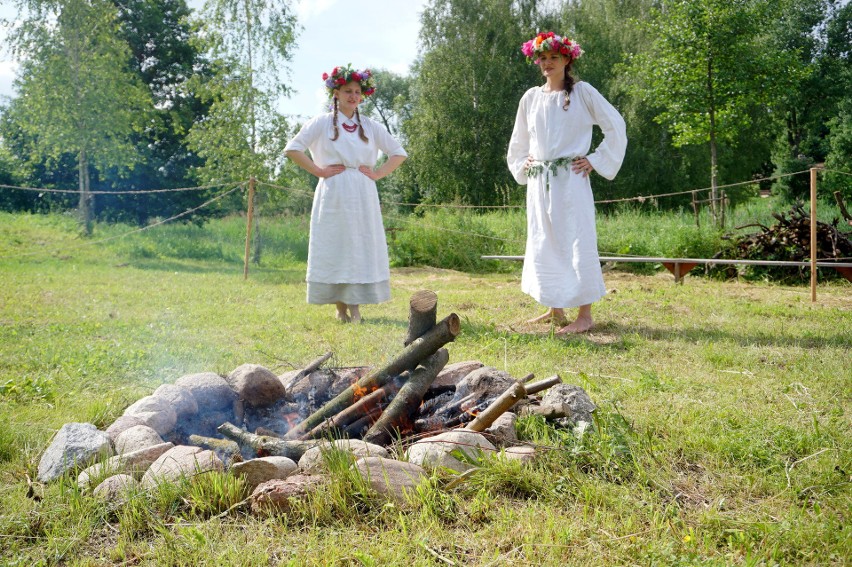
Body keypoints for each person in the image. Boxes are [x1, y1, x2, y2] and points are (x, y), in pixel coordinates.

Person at [507, 32, 627, 334]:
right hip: (540, 181)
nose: (547, 63)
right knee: (544, 239)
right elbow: (519, 140)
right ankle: (555, 308)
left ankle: (584, 314)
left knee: (576, 239)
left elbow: (616, 125)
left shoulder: (583, 93)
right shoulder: (531, 98)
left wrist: (596, 160)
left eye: (554, 58)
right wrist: (524, 163)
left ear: (567, 59)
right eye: (543, 58)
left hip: (571, 180)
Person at [285, 65, 407, 323]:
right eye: (347, 91)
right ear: (336, 94)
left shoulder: (370, 126)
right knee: (336, 245)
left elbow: (398, 153)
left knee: (358, 246)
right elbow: (293, 149)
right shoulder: (320, 123)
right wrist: (318, 170)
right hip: (334, 192)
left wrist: (377, 173)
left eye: (357, 92)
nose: (353, 96)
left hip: (362, 191)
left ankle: (355, 308)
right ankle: (340, 308)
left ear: (362, 96)